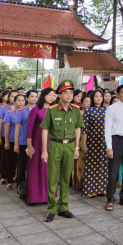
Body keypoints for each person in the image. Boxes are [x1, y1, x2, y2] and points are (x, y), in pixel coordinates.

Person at [41, 80, 84, 222]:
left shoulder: (76, 110)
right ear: (59, 95)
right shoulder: (52, 110)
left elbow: (78, 129)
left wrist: (77, 147)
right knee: (52, 178)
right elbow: (45, 130)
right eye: (66, 93)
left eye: (71, 93)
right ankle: (51, 209)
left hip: (70, 146)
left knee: (66, 177)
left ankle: (63, 207)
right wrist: (44, 150)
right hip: (55, 145)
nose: (69, 95)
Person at [26, 88, 56, 204]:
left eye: (54, 95)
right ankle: (35, 197)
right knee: (36, 169)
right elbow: (30, 129)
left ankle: (49, 196)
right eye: (49, 95)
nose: (52, 97)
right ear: (43, 96)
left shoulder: (56, 110)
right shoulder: (36, 110)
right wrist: (29, 145)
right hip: (37, 143)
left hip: (53, 142)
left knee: (50, 169)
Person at [81, 90, 109, 197]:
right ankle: (90, 190)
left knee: (103, 164)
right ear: (92, 98)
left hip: (105, 141)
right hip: (92, 141)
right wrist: (84, 143)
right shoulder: (88, 110)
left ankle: (102, 188)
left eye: (100, 96)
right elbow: (85, 129)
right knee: (91, 164)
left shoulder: (107, 110)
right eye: (96, 96)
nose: (98, 98)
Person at [14, 90, 38, 190]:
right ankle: (20, 185)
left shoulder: (39, 110)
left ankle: (32, 186)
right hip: (23, 142)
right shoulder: (21, 111)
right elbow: (17, 128)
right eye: (32, 96)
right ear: (26, 98)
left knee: (34, 166)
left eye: (36, 96)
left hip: (36, 142)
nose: (34, 98)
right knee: (22, 165)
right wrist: (16, 144)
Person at [3, 94, 26, 190]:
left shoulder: (28, 112)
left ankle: (20, 183)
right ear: (15, 102)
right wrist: (6, 142)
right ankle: (10, 181)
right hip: (12, 141)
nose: (20, 102)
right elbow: (7, 129)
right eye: (18, 100)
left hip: (23, 142)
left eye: (22, 100)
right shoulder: (10, 113)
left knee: (21, 163)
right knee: (10, 161)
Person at [0, 90, 17, 185]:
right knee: (6, 158)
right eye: (13, 97)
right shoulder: (4, 109)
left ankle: (13, 175)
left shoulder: (22, 109)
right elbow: (0, 125)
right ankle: (4, 176)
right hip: (6, 137)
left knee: (15, 159)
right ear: (8, 98)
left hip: (18, 139)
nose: (15, 99)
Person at [73, 94, 91, 191]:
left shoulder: (93, 113)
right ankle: (79, 182)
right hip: (79, 139)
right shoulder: (78, 113)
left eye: (89, 102)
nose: (88, 104)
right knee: (80, 162)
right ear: (81, 103)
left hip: (90, 139)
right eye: (86, 102)